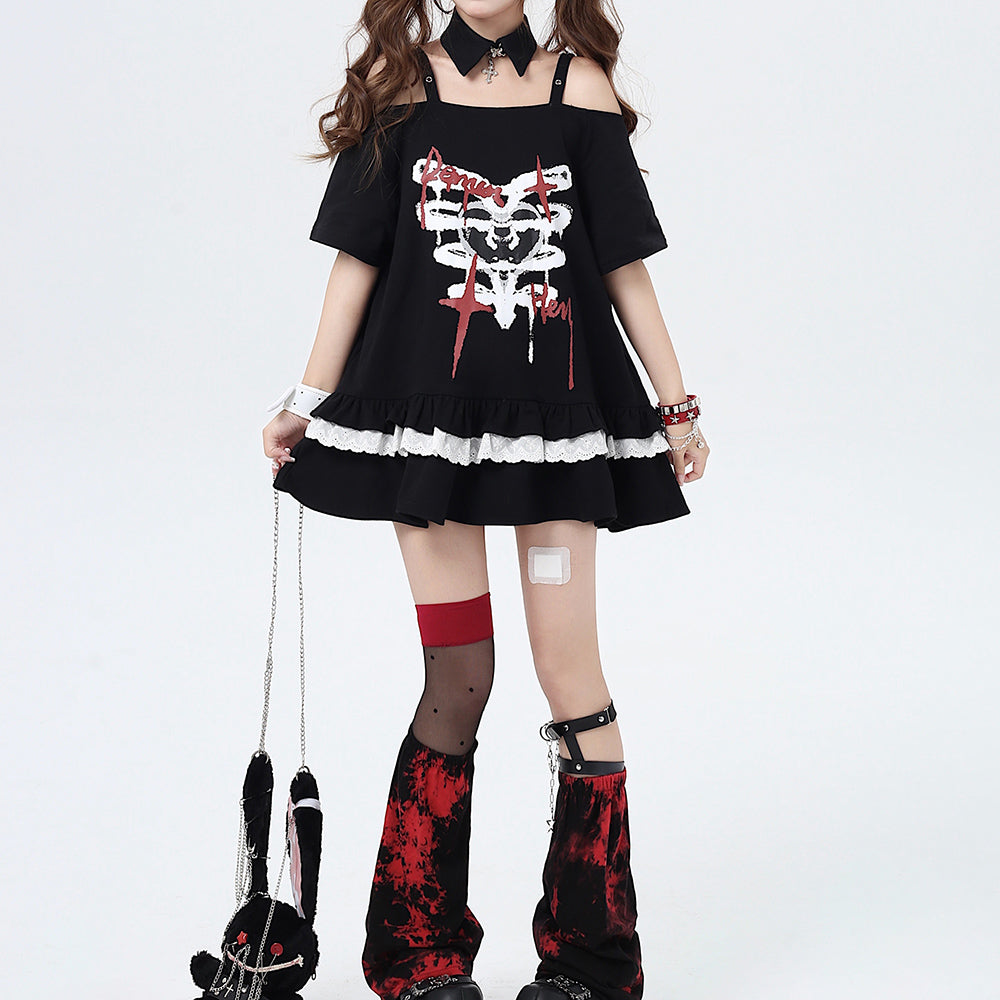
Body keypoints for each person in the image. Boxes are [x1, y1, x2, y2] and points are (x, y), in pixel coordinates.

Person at [263, 3, 709, 999]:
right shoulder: (401, 86)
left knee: (569, 671)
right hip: (428, 439)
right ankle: (416, 954)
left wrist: (677, 406)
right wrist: (305, 397)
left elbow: (621, 266)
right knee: (458, 674)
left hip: (558, 434)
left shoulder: (577, 89)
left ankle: (591, 960)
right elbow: (356, 263)